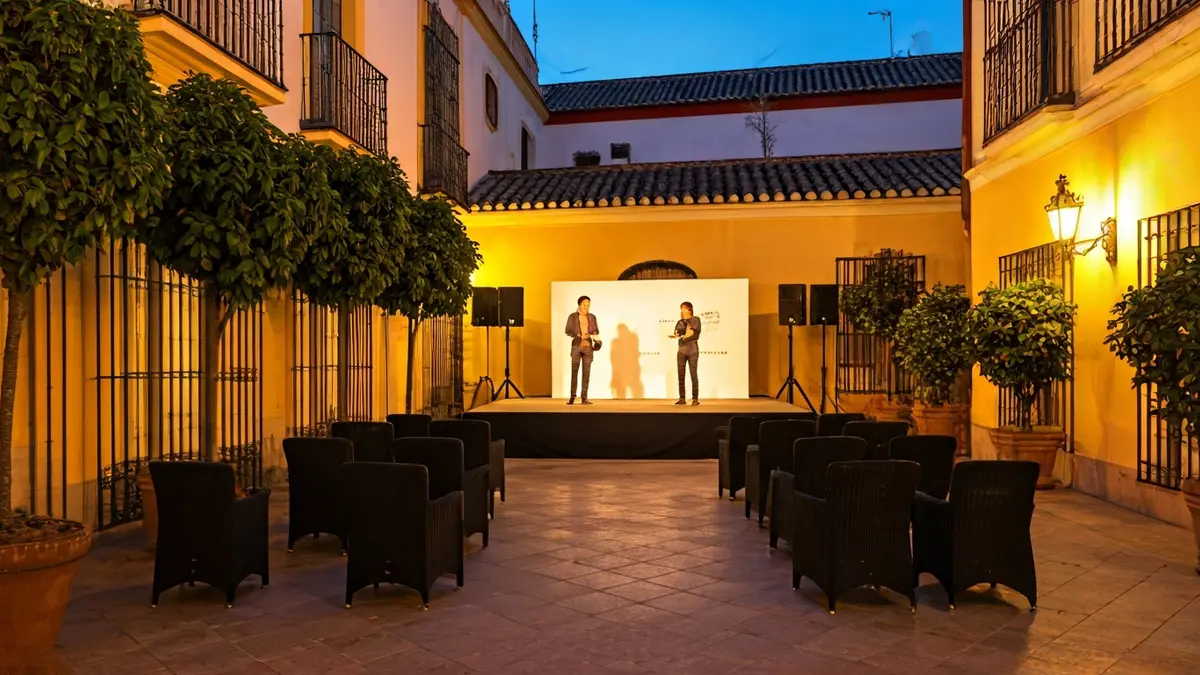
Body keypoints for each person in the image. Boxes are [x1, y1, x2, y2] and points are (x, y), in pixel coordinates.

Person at [564, 295, 599, 404]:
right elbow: (568, 330)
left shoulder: (592, 317)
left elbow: (595, 332)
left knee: (586, 373)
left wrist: (597, 341)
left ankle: (584, 397)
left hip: (588, 347)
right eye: (584, 305)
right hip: (576, 347)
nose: (586, 307)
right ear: (579, 304)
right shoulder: (572, 316)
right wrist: (579, 335)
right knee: (574, 372)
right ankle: (572, 397)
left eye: (588, 305)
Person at [669, 302, 701, 405]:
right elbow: (678, 332)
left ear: (689, 309)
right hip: (681, 351)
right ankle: (682, 398)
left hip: (692, 351)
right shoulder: (680, 321)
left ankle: (695, 399)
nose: (681, 311)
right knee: (681, 375)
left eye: (683, 308)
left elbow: (695, 334)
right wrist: (676, 334)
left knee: (693, 375)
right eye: (681, 309)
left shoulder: (695, 319)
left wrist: (686, 336)